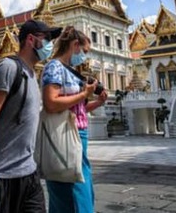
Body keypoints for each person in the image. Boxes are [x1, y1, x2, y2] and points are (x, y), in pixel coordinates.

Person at [0, 19, 62, 213]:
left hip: (28, 173)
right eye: (47, 39)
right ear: (31, 40)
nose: (50, 45)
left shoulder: (33, 75)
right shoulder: (8, 67)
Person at [40, 25, 109, 213]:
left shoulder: (70, 70)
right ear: (75, 45)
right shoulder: (54, 67)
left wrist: (98, 102)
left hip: (77, 134)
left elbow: (77, 109)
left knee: (82, 190)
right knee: (72, 193)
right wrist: (84, 94)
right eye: (84, 51)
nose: (85, 56)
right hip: (64, 135)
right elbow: (51, 103)